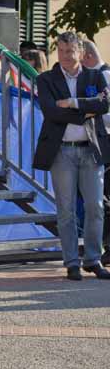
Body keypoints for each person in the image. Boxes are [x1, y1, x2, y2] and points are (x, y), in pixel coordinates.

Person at [33, 32, 110, 280]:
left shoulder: (94, 76)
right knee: (66, 210)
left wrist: (73, 102)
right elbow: (51, 112)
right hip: (62, 151)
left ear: (81, 52)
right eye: (62, 51)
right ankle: (72, 262)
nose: (66, 56)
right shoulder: (46, 79)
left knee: (95, 207)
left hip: (91, 148)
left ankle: (93, 259)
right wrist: (86, 109)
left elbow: (104, 105)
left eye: (70, 51)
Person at [81, 40, 110, 265]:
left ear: (87, 56)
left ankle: (107, 246)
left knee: (105, 198)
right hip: (101, 141)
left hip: (106, 141)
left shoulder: (105, 77)